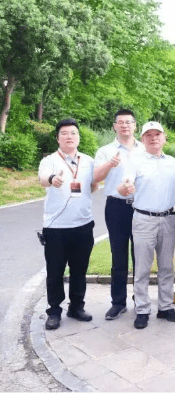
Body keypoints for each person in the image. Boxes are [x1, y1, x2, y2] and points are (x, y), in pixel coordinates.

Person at [118, 121, 175, 329]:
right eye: (149, 135)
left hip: (168, 219)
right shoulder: (135, 161)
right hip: (143, 220)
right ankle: (142, 309)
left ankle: (165, 307)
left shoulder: (172, 162)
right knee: (142, 268)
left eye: (158, 134)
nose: (154, 138)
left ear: (164, 138)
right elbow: (125, 184)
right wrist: (124, 189)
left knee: (166, 266)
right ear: (142, 139)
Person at [38, 119, 97, 330]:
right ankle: (54, 311)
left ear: (78, 137)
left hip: (83, 224)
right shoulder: (49, 160)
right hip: (56, 227)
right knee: (55, 272)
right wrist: (53, 179)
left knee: (79, 270)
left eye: (73, 133)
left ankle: (76, 307)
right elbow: (43, 178)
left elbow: (93, 185)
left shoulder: (88, 161)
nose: (69, 136)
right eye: (64, 133)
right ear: (57, 138)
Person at [93, 109, 145, 320]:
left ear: (135, 126)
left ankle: (140, 301)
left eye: (128, 122)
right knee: (118, 255)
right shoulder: (105, 151)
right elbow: (95, 178)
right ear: (114, 126)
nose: (125, 125)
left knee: (141, 255)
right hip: (116, 207)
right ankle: (118, 303)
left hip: (141, 206)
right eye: (120, 122)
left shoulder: (145, 149)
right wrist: (109, 164)